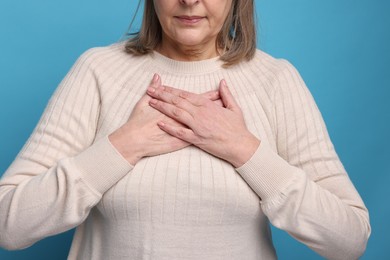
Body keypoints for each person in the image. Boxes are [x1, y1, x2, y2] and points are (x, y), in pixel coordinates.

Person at [0, 0, 370, 259]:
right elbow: (8, 224)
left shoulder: (275, 80)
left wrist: (244, 150)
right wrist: (123, 146)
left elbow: (349, 239)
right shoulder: (99, 71)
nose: (189, 0)